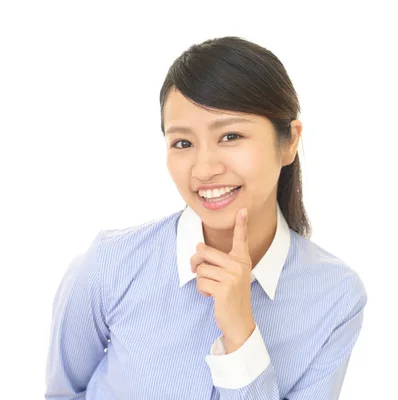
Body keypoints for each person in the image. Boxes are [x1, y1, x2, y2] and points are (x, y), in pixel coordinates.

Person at [45, 36, 368, 400]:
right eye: (182, 143)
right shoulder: (110, 263)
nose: (205, 168)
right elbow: (62, 394)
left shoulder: (335, 295)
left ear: (289, 141)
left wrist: (241, 332)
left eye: (230, 136)